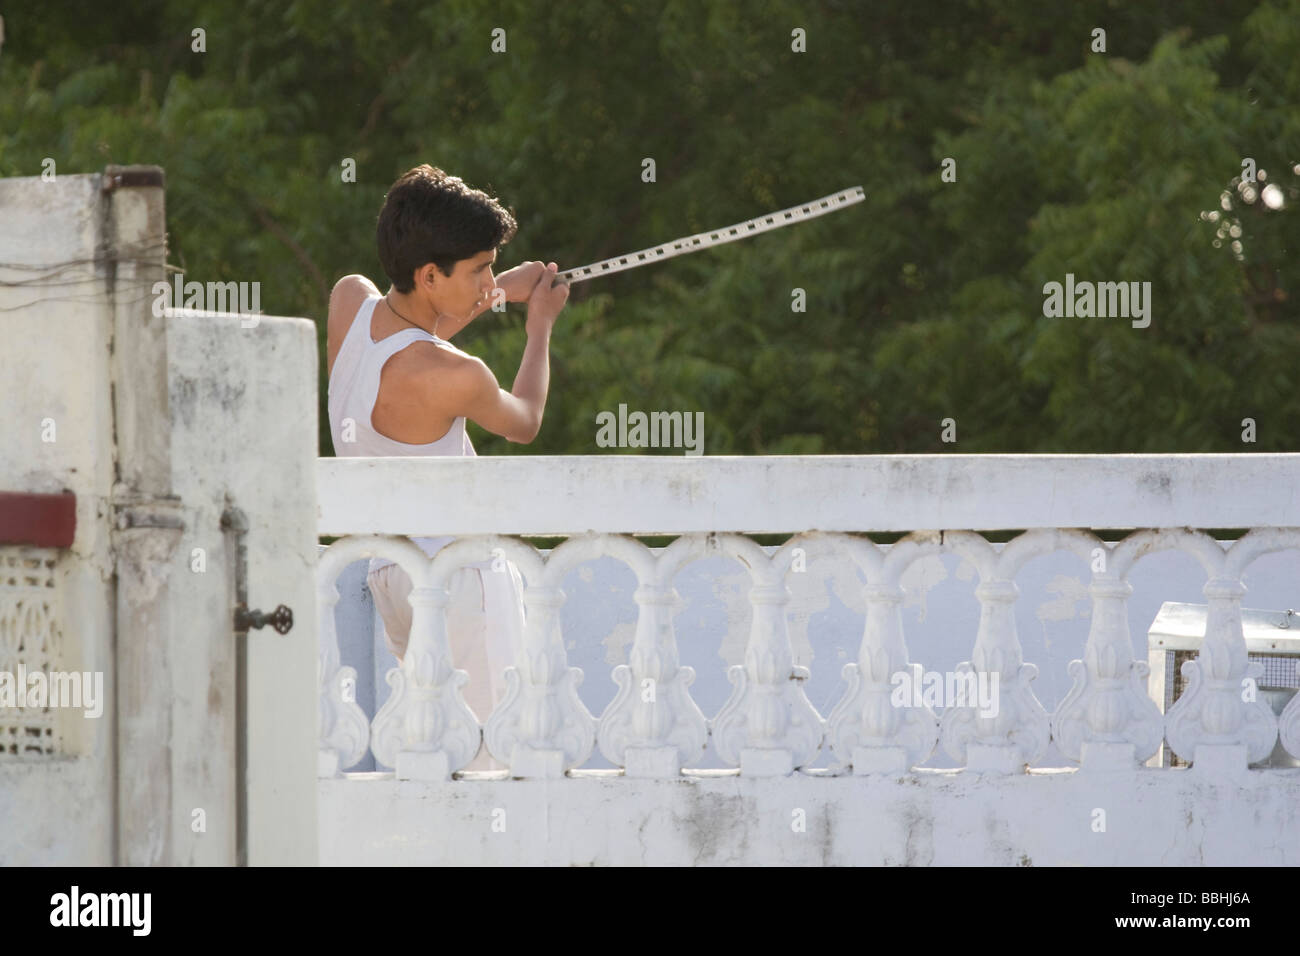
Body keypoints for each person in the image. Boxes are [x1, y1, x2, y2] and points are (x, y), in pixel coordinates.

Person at [326, 164, 570, 770]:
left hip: (395, 574)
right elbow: (525, 418)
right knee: (495, 762)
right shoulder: (459, 376)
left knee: (438, 758)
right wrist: (538, 327)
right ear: (430, 274)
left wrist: (491, 295)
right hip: (463, 582)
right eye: (480, 268)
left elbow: (410, 328)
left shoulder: (348, 302)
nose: (489, 277)